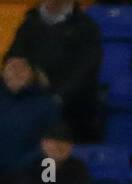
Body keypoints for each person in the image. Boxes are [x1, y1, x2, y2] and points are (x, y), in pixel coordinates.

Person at [5, 0, 102, 141]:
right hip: (30, 102)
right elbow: (13, 57)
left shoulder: (86, 27)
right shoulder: (30, 22)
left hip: (71, 111)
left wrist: (56, 97)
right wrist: (23, 72)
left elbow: (86, 71)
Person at [0, 56, 58, 182]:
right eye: (11, 67)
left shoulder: (47, 105)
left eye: (22, 67)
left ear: (33, 73)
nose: (17, 71)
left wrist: (21, 166)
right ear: (3, 72)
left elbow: (52, 146)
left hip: (28, 179)